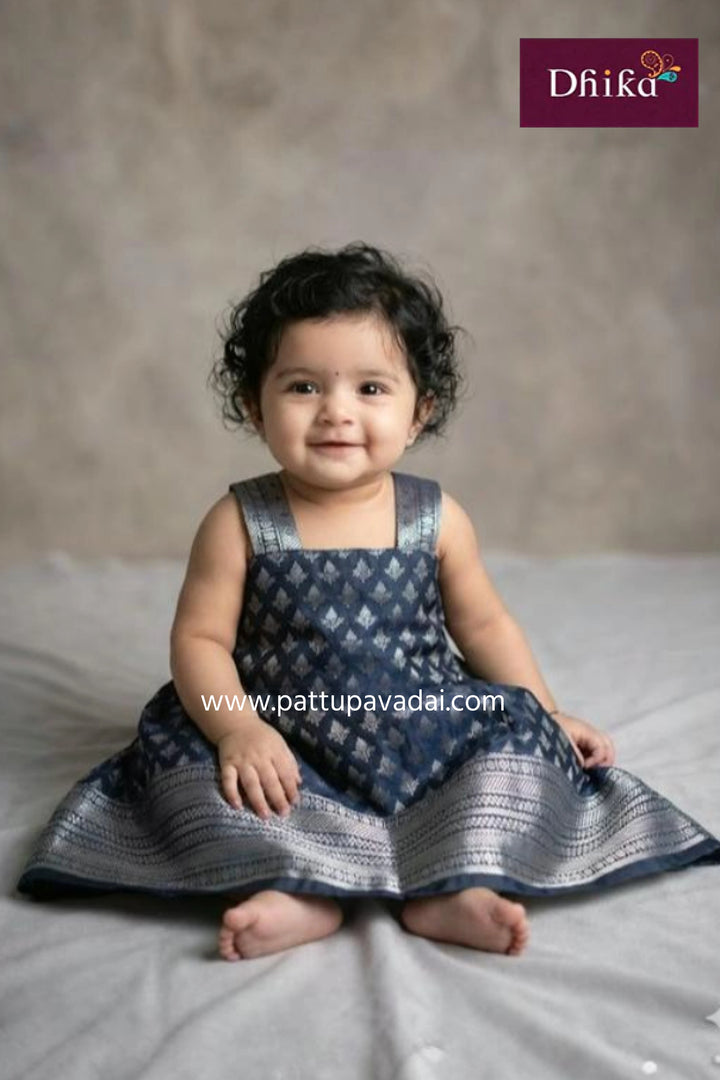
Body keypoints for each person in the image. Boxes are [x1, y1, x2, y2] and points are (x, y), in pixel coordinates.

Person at [17, 242, 720, 962]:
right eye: (302, 387)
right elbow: (200, 642)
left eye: (371, 389)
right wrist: (237, 732)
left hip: (423, 722)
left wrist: (545, 706)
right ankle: (301, 889)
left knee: (514, 739)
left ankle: (447, 886)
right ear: (252, 406)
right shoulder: (238, 522)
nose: (336, 414)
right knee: (191, 774)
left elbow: (483, 625)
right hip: (281, 729)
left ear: (421, 412)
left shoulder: (435, 518)